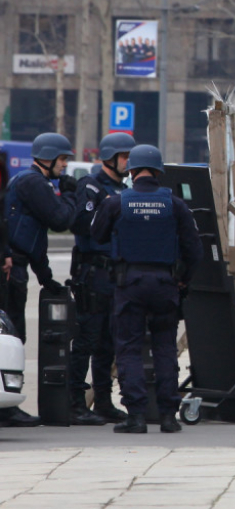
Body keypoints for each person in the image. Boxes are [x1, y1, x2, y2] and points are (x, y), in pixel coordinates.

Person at [91, 144, 203, 434]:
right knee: (165, 347)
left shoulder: (117, 202)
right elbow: (195, 250)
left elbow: (97, 234)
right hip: (166, 284)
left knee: (128, 348)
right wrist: (183, 279)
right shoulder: (175, 204)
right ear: (158, 171)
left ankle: (137, 416)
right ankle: (168, 416)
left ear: (131, 170)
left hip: (129, 284)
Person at [1, 132, 78, 427]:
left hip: (17, 269)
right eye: (63, 160)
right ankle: (6, 409)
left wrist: (46, 279)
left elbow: (33, 239)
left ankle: (6, 405)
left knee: (13, 336)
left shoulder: (29, 182)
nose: (65, 166)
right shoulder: (34, 183)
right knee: (13, 337)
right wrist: (70, 195)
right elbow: (59, 220)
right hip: (11, 273)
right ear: (48, 158)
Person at [68, 133, 136, 426]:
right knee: (87, 339)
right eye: (125, 157)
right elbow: (82, 224)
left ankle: (104, 402)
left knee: (108, 341)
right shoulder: (91, 187)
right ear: (109, 158)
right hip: (93, 272)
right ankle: (74, 402)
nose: (129, 163)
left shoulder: (121, 189)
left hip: (114, 274)